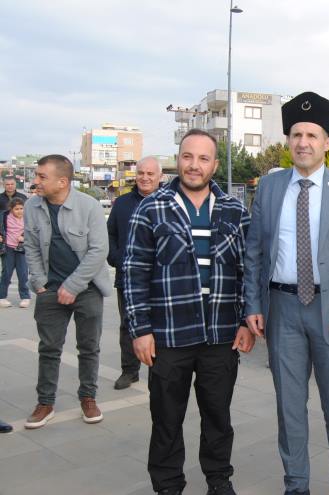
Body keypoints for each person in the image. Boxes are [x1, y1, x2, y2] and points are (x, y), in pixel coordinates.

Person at [244, 91, 329, 495]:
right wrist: (252, 304)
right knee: (289, 409)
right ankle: (296, 485)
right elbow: (254, 252)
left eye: (312, 135)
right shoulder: (269, 187)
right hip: (282, 312)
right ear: (288, 140)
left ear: (327, 142)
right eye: (296, 135)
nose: (303, 143)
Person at [123, 129, 252, 495]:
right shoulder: (152, 208)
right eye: (188, 156)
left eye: (203, 158)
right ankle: (167, 485)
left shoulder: (235, 211)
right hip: (168, 336)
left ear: (215, 164)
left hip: (220, 335)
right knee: (166, 419)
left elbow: (248, 270)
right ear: (178, 159)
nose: (194, 165)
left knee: (218, 417)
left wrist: (246, 320)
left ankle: (218, 480)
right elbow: (134, 271)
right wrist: (140, 329)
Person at [23, 154, 111, 429]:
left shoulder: (89, 206)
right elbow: (31, 246)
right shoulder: (32, 206)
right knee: (49, 348)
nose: (36, 181)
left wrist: (73, 286)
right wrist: (39, 281)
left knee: (89, 347)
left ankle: (88, 397)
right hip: (49, 289)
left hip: (87, 288)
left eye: (42, 176)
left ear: (62, 182)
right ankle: (45, 402)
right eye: (37, 175)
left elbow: (99, 251)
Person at [107, 156, 163, 390]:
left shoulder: (170, 202)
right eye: (141, 173)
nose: (145, 177)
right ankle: (129, 371)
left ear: (160, 177)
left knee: (161, 325)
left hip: (161, 279)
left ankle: (160, 370)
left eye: (150, 173)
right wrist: (117, 258)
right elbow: (110, 235)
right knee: (128, 325)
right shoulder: (122, 204)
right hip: (128, 278)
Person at [0, 197, 31, 308]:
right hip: (8, 248)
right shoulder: (4, 216)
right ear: (11, 209)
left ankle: (25, 297)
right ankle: (2, 297)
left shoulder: (29, 218)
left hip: (22, 249)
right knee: (6, 273)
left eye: (21, 208)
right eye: (16, 209)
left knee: (23, 274)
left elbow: (35, 232)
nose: (19, 211)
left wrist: (25, 237)